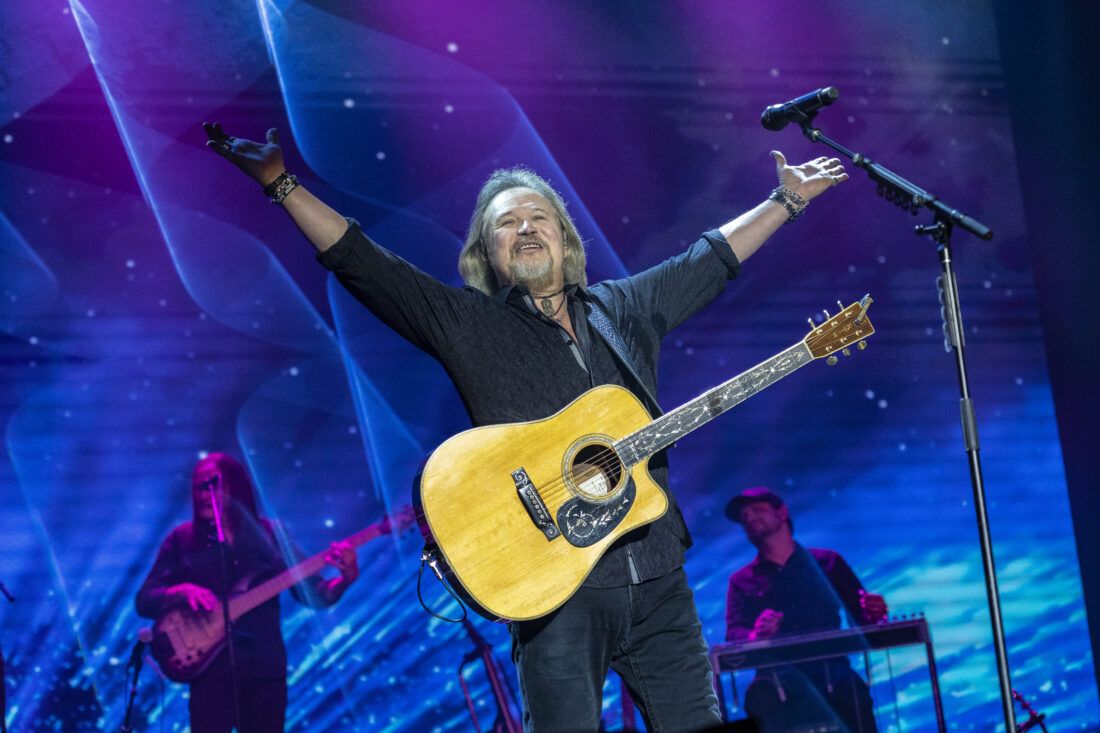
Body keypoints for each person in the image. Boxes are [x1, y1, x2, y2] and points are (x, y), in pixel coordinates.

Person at [202, 120, 848, 732]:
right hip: (550, 587)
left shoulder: (624, 307)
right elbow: (364, 262)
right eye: (506, 224)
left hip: (658, 580)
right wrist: (281, 184)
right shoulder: (470, 324)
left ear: (566, 240)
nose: (526, 227)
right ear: (489, 254)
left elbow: (708, 259)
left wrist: (785, 200)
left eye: (539, 216)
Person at [135, 452, 359, 733]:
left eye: (212, 484)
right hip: (210, 673)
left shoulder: (271, 535)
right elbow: (145, 599)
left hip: (264, 670)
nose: (204, 495)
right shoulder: (182, 540)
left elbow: (316, 595)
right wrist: (181, 591)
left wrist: (347, 577)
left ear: (235, 487)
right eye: (198, 488)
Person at [724, 487, 887, 733]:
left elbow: (862, 618)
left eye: (756, 510)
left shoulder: (828, 562)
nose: (750, 518)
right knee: (760, 701)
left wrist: (874, 612)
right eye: (744, 517)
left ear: (781, 512)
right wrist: (755, 635)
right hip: (775, 681)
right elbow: (734, 633)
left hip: (833, 673)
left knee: (853, 695)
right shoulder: (741, 580)